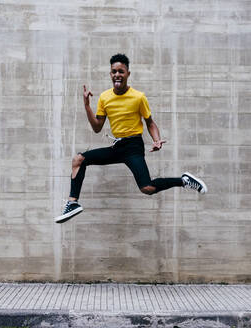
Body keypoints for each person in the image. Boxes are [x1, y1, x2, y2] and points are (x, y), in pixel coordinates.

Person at [55, 53, 207, 224]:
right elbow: (97, 127)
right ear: (110, 74)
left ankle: (183, 180)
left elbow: (150, 122)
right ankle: (72, 203)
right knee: (79, 159)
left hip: (133, 146)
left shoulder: (138, 97)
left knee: (147, 188)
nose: (117, 75)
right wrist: (87, 106)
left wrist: (156, 139)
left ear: (128, 73)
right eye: (114, 71)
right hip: (117, 147)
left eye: (121, 71)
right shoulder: (105, 97)